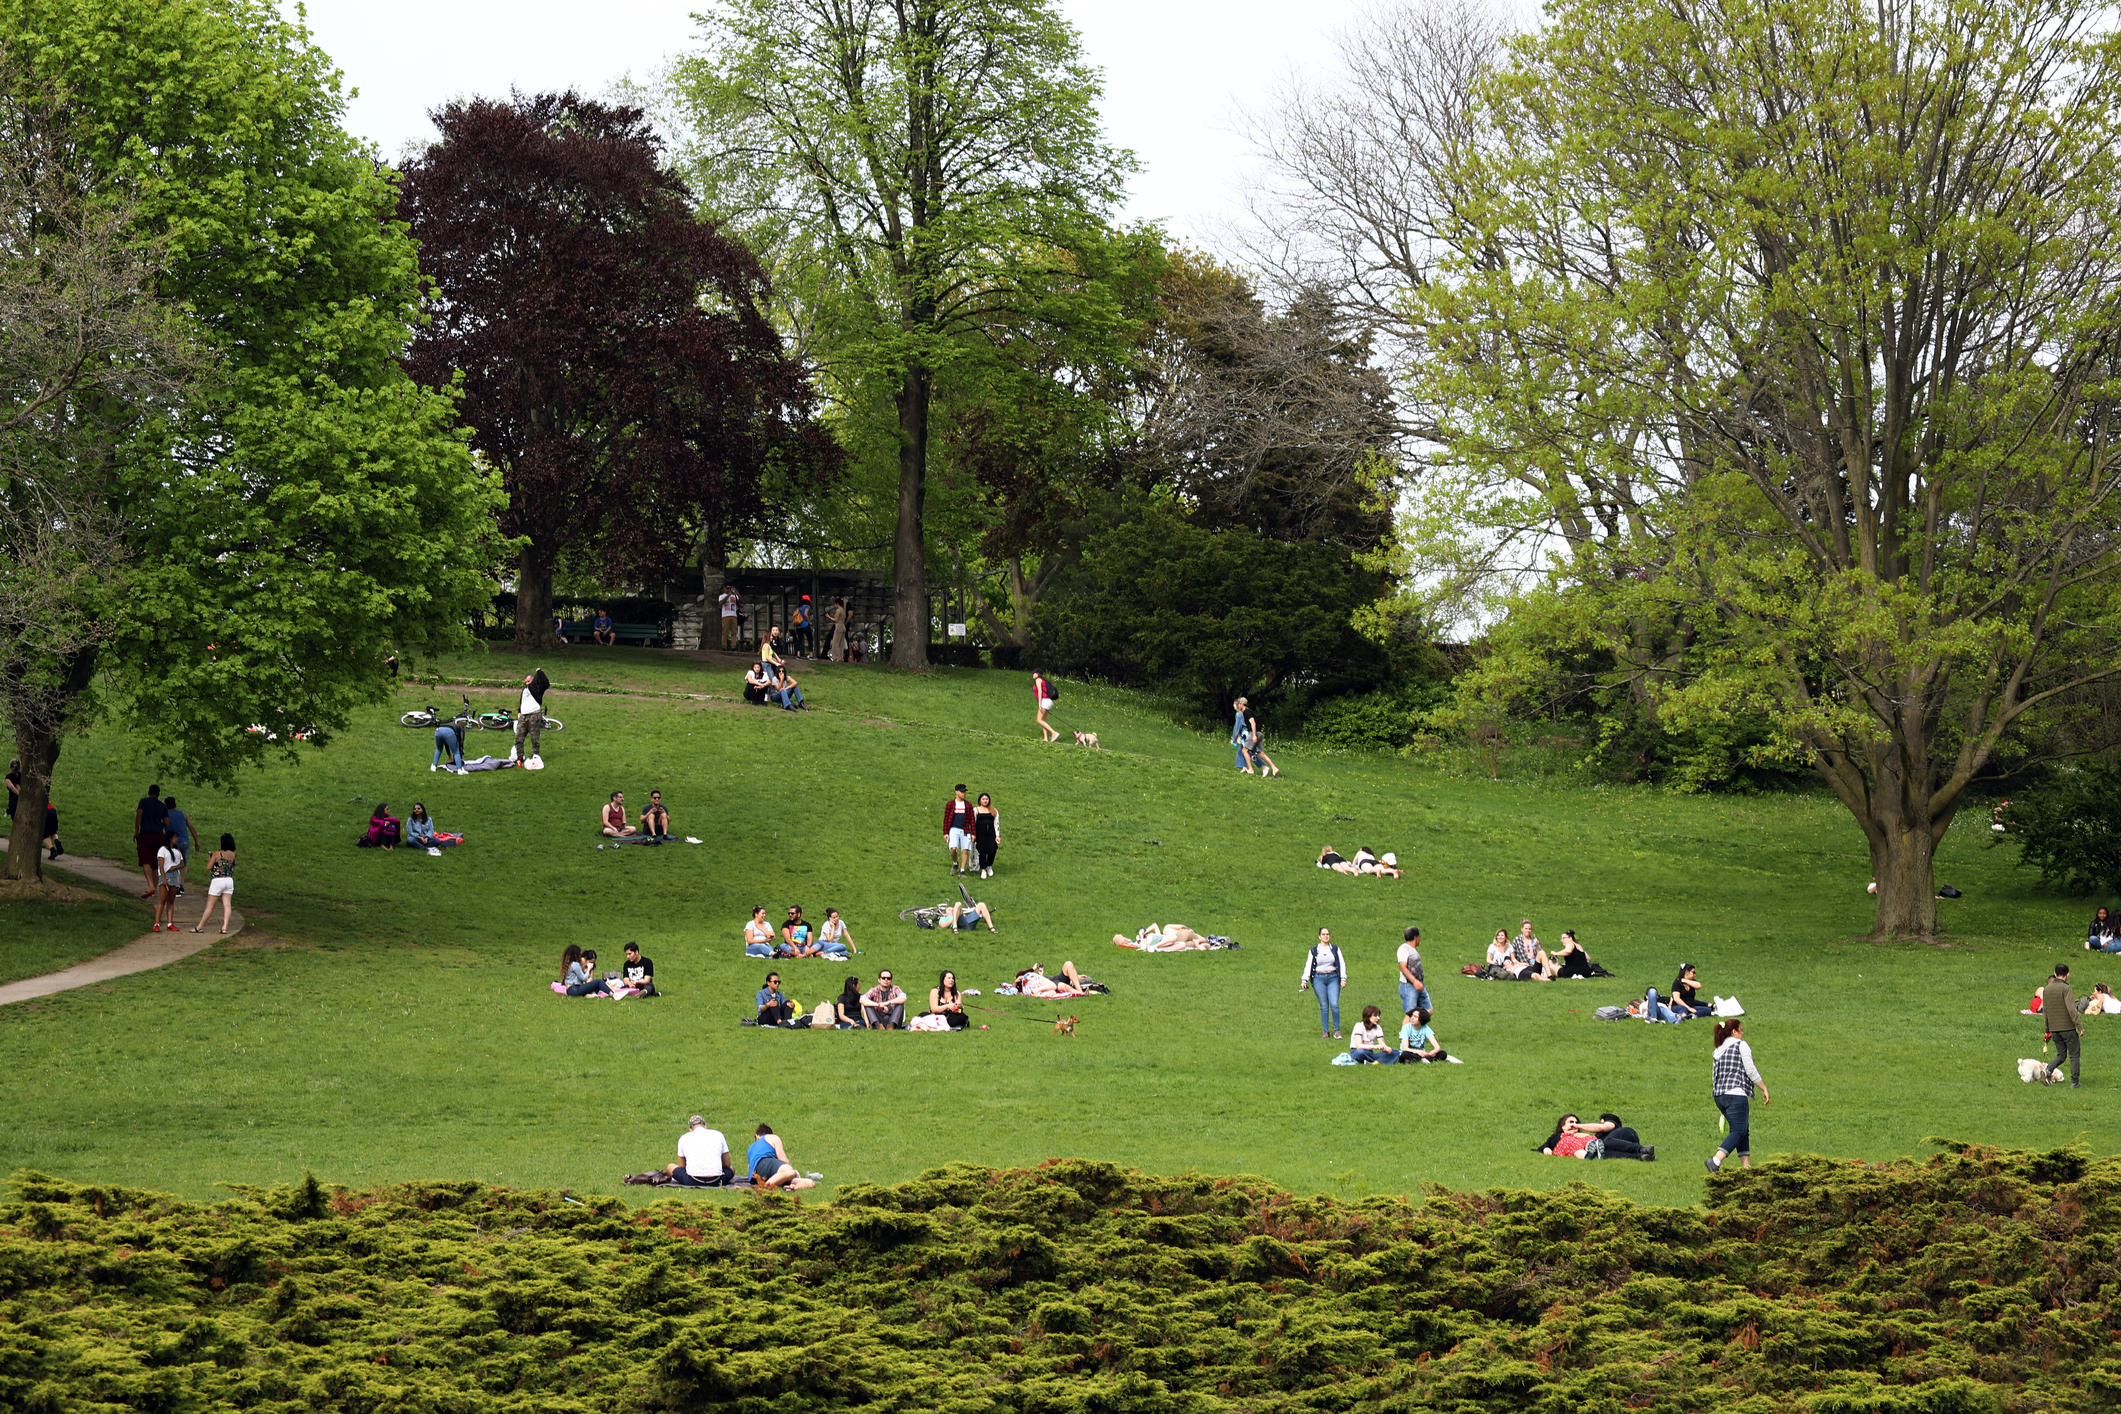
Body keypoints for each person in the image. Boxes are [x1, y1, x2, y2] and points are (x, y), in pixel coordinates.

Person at [1706, 1019, 1771, 1171]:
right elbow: (1750, 1069)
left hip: (1720, 1096)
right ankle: (1715, 1160)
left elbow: (1714, 1075)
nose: (1743, 1033)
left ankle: (1746, 1167)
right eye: (1741, 1030)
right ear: (1734, 1032)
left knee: (1743, 1129)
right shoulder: (1741, 1045)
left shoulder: (1719, 1049)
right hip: (1736, 1095)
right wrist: (1764, 1087)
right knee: (1738, 1130)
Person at [1539, 1113, 1653, 1161]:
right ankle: (1640, 1157)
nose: (1574, 1124)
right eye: (1570, 1122)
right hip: (1617, 1145)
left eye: (1576, 1122)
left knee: (1606, 1142)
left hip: (1628, 1136)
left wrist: (1579, 1127)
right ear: (1562, 1126)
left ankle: (1642, 1149)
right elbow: (1546, 1145)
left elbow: (1602, 1128)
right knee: (1606, 1153)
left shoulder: (1611, 1123)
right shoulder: (1558, 1137)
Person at [1298, 927, 1346, 1039]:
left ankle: (1337, 1030)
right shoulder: (1314, 950)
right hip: (1319, 978)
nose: (1326, 936)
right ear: (1319, 936)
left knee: (1334, 1004)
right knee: (1324, 1006)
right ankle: (1326, 1031)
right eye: (1323, 934)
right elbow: (1308, 965)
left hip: (1333, 977)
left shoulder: (1335, 949)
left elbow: (1342, 963)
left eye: (1327, 934)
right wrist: (1304, 980)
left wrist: (1343, 978)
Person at [2043, 964, 2082, 1087]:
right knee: (2074, 1055)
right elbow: (2071, 1009)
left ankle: (2048, 1070)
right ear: (2067, 974)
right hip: (2068, 1028)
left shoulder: (2047, 989)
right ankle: (2074, 1082)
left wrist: (2047, 1029)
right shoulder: (2066, 989)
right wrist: (2080, 1026)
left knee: (2061, 1054)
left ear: (2055, 974)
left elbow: (2046, 1012)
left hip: (2054, 1028)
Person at [664, 1116, 731, 1186]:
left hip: (692, 1180)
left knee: (670, 1167)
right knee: (731, 1169)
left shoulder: (684, 1138)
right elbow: (727, 1164)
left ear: (690, 1129)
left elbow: (682, 1166)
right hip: (718, 1180)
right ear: (705, 1126)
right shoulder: (719, 1135)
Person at [745, 1124, 817, 1189]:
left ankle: (790, 1188)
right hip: (765, 1163)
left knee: (809, 1183)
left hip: (758, 1177)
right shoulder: (772, 1137)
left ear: (756, 1136)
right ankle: (764, 1188)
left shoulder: (750, 1149)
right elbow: (783, 1160)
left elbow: (750, 1169)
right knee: (789, 1171)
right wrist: (794, 1172)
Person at [190, 833, 236, 934]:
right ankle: (224, 927)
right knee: (227, 904)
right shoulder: (233, 855)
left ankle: (200, 926)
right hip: (229, 880)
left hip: (218, 881)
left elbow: (209, 867)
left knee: (210, 906)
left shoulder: (217, 853)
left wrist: (210, 858)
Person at [133, 783, 169, 897]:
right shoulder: (162, 806)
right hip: (158, 835)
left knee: (145, 861)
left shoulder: (143, 802)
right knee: (155, 863)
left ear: (149, 793)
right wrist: (158, 823)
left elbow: (139, 814)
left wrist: (136, 830)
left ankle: (150, 886)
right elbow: (167, 823)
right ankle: (155, 891)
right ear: (158, 794)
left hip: (145, 834)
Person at [513, 669, 550, 769]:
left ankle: (535, 757)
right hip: (523, 716)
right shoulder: (525, 689)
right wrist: (519, 711)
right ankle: (520, 757)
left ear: (533, 680)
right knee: (519, 737)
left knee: (534, 739)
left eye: (529, 681)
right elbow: (523, 701)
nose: (527, 683)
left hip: (534, 716)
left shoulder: (537, 688)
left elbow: (546, 683)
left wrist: (540, 672)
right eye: (526, 682)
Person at [151, 833, 183, 932]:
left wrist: (175, 867)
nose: (177, 839)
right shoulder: (163, 850)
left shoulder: (177, 851)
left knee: (171, 900)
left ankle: (170, 922)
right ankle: (156, 923)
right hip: (166, 875)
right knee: (162, 899)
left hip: (175, 876)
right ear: (170, 839)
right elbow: (161, 865)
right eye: (175, 837)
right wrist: (163, 878)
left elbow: (182, 864)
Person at [162, 796, 193, 893]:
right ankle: (181, 885)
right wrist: (196, 841)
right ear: (175, 804)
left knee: (172, 863)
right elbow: (191, 827)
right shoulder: (183, 814)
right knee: (184, 864)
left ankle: (173, 884)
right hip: (184, 841)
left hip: (171, 842)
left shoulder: (164, 816)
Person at [1397, 927, 1430, 1016]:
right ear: (1416, 938)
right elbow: (1403, 968)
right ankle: (1404, 1030)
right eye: (1419, 937)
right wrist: (1415, 981)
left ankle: (1417, 1029)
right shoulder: (1403, 949)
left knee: (1428, 1011)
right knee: (1410, 1015)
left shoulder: (1412, 950)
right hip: (1409, 986)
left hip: (1418, 985)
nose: (1420, 939)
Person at [944, 784, 975, 875]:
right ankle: (955, 863)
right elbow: (946, 819)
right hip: (954, 829)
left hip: (965, 830)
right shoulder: (950, 804)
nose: (964, 794)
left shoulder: (968, 805)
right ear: (956, 792)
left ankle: (962, 870)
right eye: (962, 792)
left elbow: (972, 820)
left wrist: (973, 833)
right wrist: (946, 832)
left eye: (964, 792)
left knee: (965, 850)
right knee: (953, 848)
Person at [1114, 923, 1213, 950]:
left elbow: (1155, 925)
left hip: (1178, 939)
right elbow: (1155, 925)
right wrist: (1143, 933)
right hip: (1180, 936)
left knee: (1191, 943)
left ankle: (1202, 943)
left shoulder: (1161, 934)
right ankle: (1205, 942)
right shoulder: (1165, 930)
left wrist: (1144, 933)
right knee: (1198, 938)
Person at [1245, 708, 1281, 777]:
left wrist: (1254, 735)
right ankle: (1274, 768)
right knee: (1261, 754)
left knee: (1244, 750)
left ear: (1241, 704)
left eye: (1235, 704)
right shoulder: (1248, 711)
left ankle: (1250, 769)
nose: (1234, 706)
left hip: (1254, 734)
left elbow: (1253, 723)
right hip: (1259, 734)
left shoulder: (1247, 712)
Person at [973, 792, 1000, 879]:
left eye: (987, 799)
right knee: (982, 851)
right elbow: (973, 823)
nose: (985, 801)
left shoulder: (993, 811)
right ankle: (983, 869)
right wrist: (973, 834)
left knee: (992, 850)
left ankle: (989, 865)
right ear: (980, 800)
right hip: (980, 834)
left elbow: (996, 824)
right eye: (983, 799)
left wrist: (997, 835)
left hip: (991, 834)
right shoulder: (976, 810)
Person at [1033, 670, 1060, 742]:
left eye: (1034, 673)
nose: (1033, 675)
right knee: (1043, 720)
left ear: (1038, 674)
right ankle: (1045, 738)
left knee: (1039, 720)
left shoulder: (1038, 680)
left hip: (1044, 701)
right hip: (1049, 701)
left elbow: (1040, 691)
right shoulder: (1044, 680)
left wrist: (1039, 704)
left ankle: (1054, 733)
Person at [1230, 696, 1252, 772]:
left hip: (1245, 735)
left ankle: (1263, 767)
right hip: (1248, 734)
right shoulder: (1246, 712)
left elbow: (1237, 727)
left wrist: (1233, 738)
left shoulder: (1239, 714)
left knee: (1250, 752)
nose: (1233, 705)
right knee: (1242, 751)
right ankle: (1244, 768)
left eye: (1234, 704)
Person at [827, 595, 850, 661]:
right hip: (843, 626)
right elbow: (839, 618)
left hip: (839, 626)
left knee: (835, 643)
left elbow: (836, 620)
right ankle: (841, 657)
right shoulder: (843, 610)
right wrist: (833, 616)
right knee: (841, 643)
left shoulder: (838, 610)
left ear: (837, 604)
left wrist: (829, 617)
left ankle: (836, 657)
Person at [718, 583, 741, 650]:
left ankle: (733, 646)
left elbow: (741, 601)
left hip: (734, 615)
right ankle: (724, 646)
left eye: (730, 588)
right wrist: (728, 595)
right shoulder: (722, 596)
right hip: (725, 615)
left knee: (734, 632)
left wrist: (737, 594)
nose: (729, 590)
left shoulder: (734, 597)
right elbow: (721, 603)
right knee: (725, 631)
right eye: (727, 588)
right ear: (725, 589)